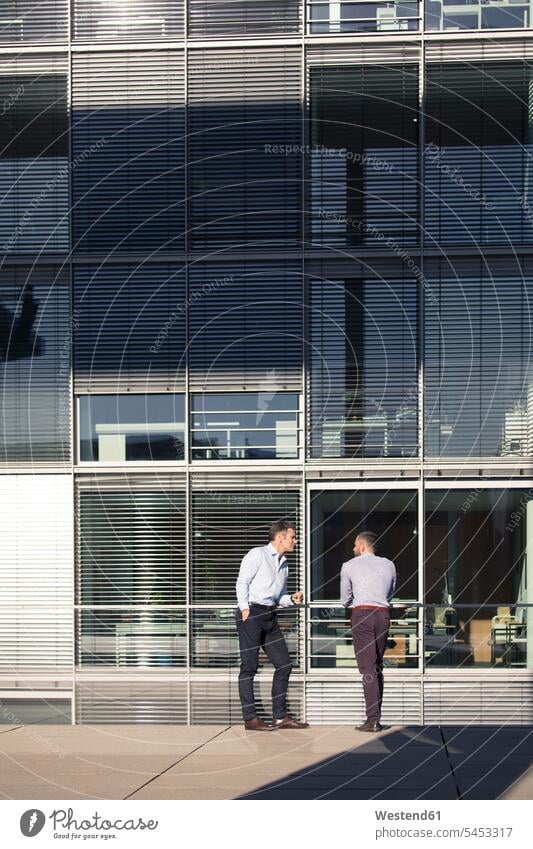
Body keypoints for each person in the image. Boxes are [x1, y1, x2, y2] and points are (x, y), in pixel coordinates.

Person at [235, 519, 309, 731]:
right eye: (292, 537)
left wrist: (291, 599)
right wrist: (244, 608)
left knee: (284, 664)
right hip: (251, 613)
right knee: (249, 667)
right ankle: (250, 718)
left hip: (269, 615)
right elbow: (242, 582)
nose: (295, 540)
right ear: (280, 537)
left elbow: (279, 597)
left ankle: (280, 716)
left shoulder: (284, 564)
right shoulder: (257, 554)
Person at [340, 531, 396, 732]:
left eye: (355, 545)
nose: (353, 549)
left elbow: (345, 599)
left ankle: (372, 720)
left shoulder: (349, 566)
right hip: (382, 615)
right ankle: (376, 718)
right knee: (377, 666)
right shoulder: (389, 564)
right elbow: (391, 593)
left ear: (363, 546)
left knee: (368, 669)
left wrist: (356, 600)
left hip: (362, 615)